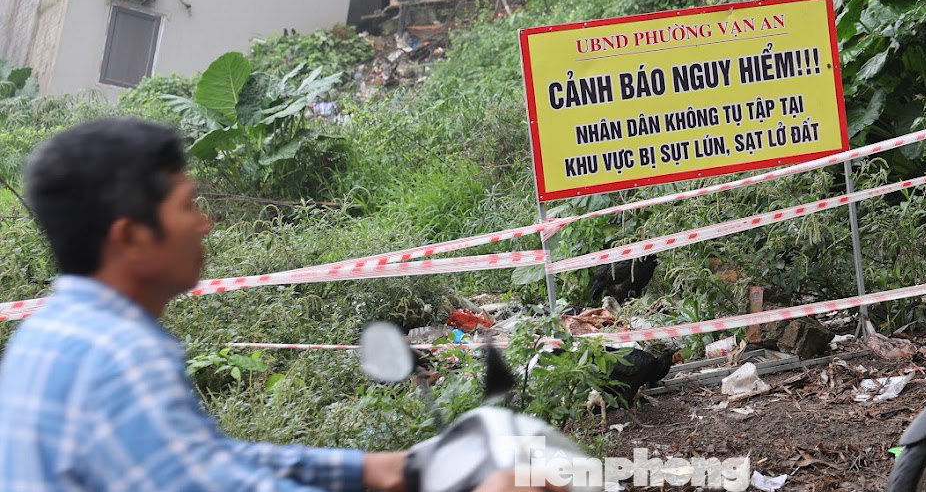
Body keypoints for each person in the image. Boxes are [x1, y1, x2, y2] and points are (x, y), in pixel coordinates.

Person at [0, 118, 546, 492]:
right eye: (187, 205)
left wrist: (375, 468)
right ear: (131, 237)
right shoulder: (119, 357)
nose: (205, 222)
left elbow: (210, 464)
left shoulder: (50, 336)